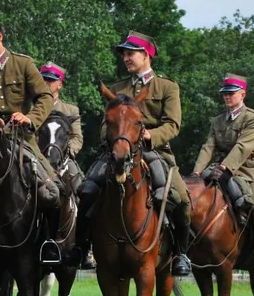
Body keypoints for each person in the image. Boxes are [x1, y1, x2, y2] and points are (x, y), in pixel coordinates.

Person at [74, 31, 191, 276]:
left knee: (181, 199)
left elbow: (173, 124)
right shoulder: (116, 88)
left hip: (154, 151)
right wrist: (113, 140)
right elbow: (106, 123)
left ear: (146, 54)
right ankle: (81, 249)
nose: (126, 58)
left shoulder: (167, 86)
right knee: (86, 190)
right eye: (124, 54)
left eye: (130, 53)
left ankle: (181, 254)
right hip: (118, 150)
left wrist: (150, 136)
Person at [0, 14, 63, 261]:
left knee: (53, 190)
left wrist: (30, 118)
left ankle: (50, 242)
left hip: (21, 140)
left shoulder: (23, 64)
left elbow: (45, 97)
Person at [193, 73, 254, 271]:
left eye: (231, 93)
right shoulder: (218, 120)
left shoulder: (253, 118)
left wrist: (225, 167)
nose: (227, 97)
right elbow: (208, 146)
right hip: (221, 166)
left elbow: (243, 147)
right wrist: (197, 171)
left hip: (249, 169)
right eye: (224, 94)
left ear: (242, 94)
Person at [39, 61, 94, 270]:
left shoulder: (70, 109)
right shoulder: (32, 107)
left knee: (83, 189)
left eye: (50, 80)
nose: (45, 83)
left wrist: (65, 153)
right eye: (43, 79)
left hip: (63, 160)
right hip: (37, 159)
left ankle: (83, 246)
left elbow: (77, 138)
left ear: (59, 84)